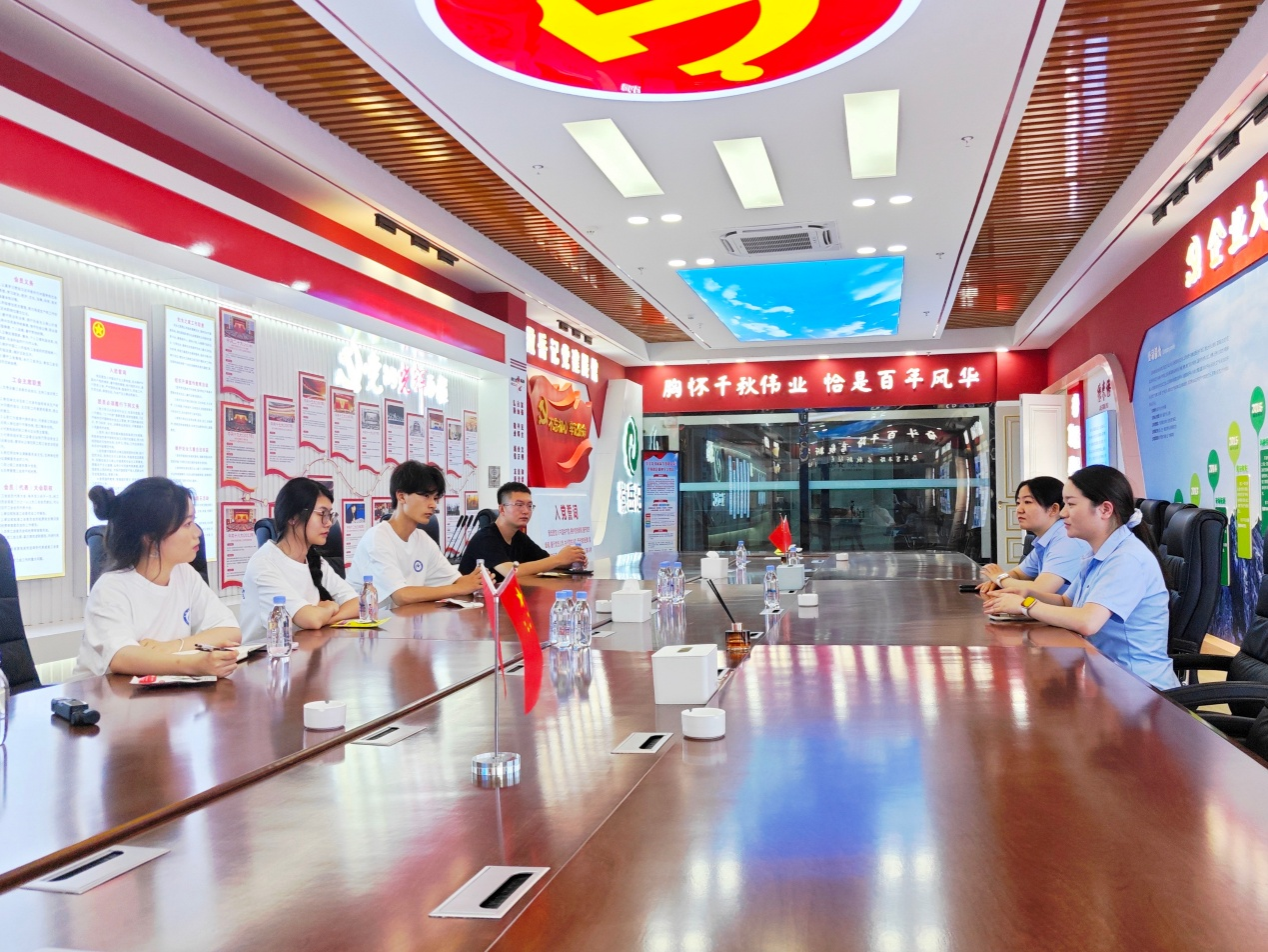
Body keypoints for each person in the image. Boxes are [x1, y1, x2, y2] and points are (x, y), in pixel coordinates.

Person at [984, 465, 1178, 690]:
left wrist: (1025, 605)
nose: (1063, 513)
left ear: (1105, 509)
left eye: (1071, 504)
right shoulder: (1097, 553)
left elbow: (1087, 622)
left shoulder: (1127, 558)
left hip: (1140, 688)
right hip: (1107, 678)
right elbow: (1067, 601)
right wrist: (1027, 592)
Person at [74, 478, 240, 678]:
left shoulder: (184, 573)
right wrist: (193, 664)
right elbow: (121, 656)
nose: (197, 532)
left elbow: (230, 630)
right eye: (187, 524)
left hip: (163, 691)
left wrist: (173, 647)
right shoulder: (111, 588)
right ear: (151, 539)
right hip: (102, 693)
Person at [348, 461, 481, 607]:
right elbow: (401, 596)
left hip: (408, 618)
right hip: (369, 619)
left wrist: (478, 580)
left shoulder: (423, 539)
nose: (433, 505)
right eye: (425, 496)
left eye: (435, 498)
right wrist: (459, 588)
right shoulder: (377, 538)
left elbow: (456, 581)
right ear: (401, 497)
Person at [241, 477, 359, 638]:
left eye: (330, 515)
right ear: (293, 517)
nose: (329, 523)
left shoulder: (315, 561)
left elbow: (356, 604)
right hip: (268, 653)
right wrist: (329, 607)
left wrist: (324, 617)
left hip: (308, 648)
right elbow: (310, 619)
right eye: (322, 514)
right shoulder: (264, 564)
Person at [978, 476, 1090, 595]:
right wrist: (997, 581)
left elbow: (1041, 589)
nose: (1019, 509)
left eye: (1027, 502)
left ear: (1054, 509)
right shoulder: (1046, 539)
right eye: (1018, 503)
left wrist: (1001, 578)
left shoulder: (1067, 539)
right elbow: (1018, 574)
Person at [458, 481, 587, 579]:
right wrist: (558, 559)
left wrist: (571, 560)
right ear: (502, 509)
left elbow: (545, 561)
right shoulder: (486, 538)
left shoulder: (519, 537)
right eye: (519, 505)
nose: (526, 511)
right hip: (471, 601)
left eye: (529, 506)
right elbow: (510, 571)